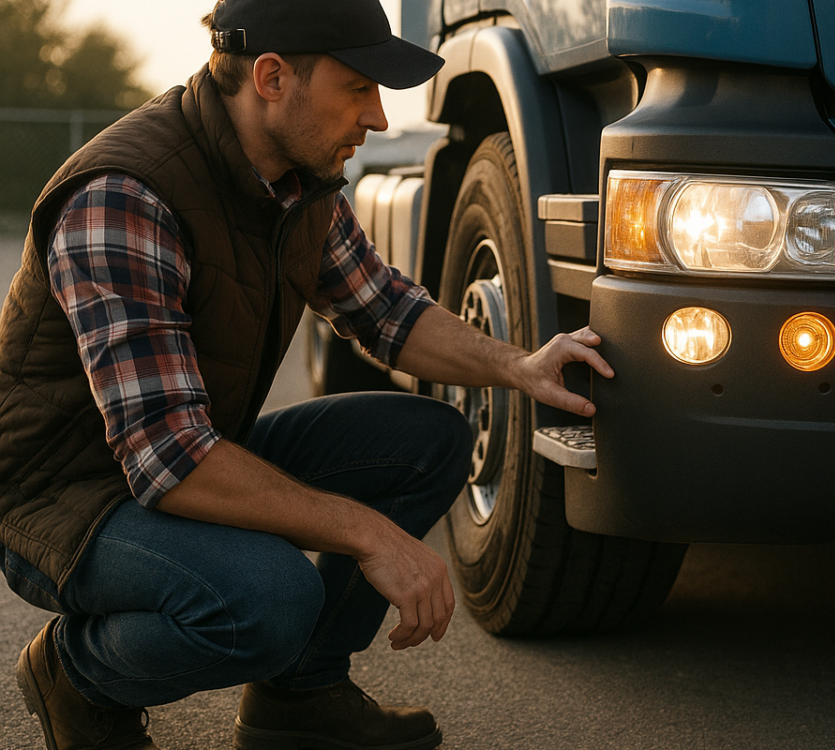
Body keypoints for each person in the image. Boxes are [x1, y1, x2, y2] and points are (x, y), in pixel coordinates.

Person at [0, 1, 614, 749]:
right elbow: (168, 457)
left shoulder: (298, 181)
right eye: (358, 88)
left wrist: (520, 364)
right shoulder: (126, 196)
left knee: (430, 440)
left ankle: (299, 694)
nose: (379, 118)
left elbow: (387, 311)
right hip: (68, 498)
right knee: (272, 599)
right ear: (271, 78)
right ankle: (76, 673)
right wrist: (372, 536)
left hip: (186, 455)